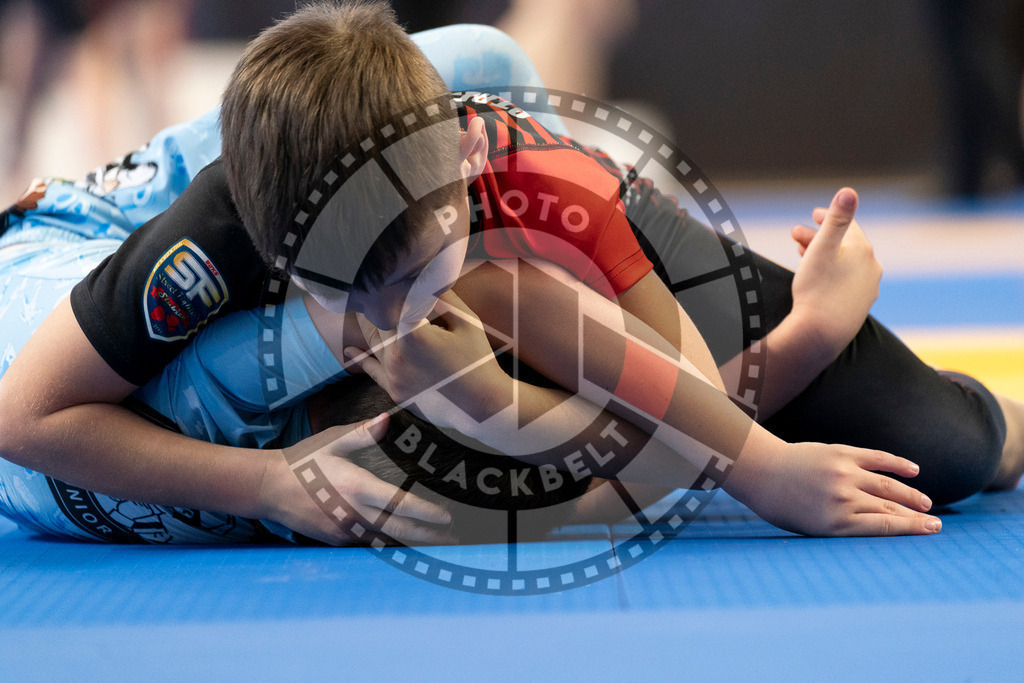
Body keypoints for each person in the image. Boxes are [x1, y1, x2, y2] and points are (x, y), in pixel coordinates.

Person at [0, 3, 1019, 545]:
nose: (397, 319)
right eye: (351, 293)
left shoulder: (487, 199)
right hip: (100, 263)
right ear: (279, 258)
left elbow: (686, 393)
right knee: (942, 451)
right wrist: (806, 338)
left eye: (416, 276)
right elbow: (648, 462)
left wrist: (762, 457)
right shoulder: (233, 255)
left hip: (452, 161)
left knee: (944, 439)